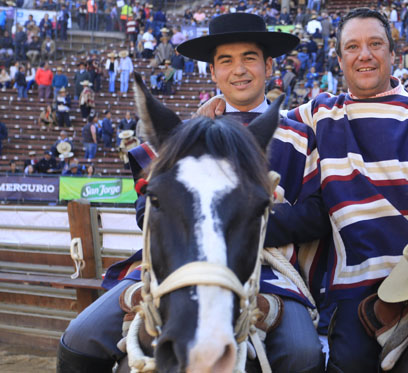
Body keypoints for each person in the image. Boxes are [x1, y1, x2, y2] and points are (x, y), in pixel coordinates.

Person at [200, 8, 408, 371]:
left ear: (393, 54)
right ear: (339, 60)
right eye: (352, 47)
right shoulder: (319, 114)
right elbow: (255, 114)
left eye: (375, 44)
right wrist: (216, 116)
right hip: (359, 286)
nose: (365, 55)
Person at [59, 13, 326, 373]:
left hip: (270, 274)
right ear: (213, 73)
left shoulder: (301, 136)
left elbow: (315, 213)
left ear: (268, 65)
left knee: (302, 354)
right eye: (226, 61)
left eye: (249, 58)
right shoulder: (186, 135)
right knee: (80, 336)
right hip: (177, 264)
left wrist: (242, 223)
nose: (240, 70)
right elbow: (145, 210)